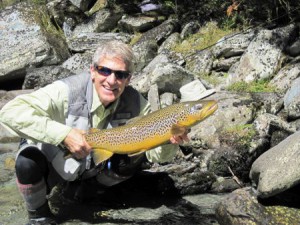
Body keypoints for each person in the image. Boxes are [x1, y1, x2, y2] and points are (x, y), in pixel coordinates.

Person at [0, 40, 189, 225]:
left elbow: (156, 156)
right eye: (104, 70)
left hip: (92, 169)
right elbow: (9, 113)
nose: (111, 80)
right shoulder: (66, 91)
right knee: (27, 162)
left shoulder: (137, 104)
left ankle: (86, 194)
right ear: (92, 70)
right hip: (55, 162)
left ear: (128, 79)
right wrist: (64, 134)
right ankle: (39, 215)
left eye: (120, 74)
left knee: (133, 156)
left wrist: (167, 142)